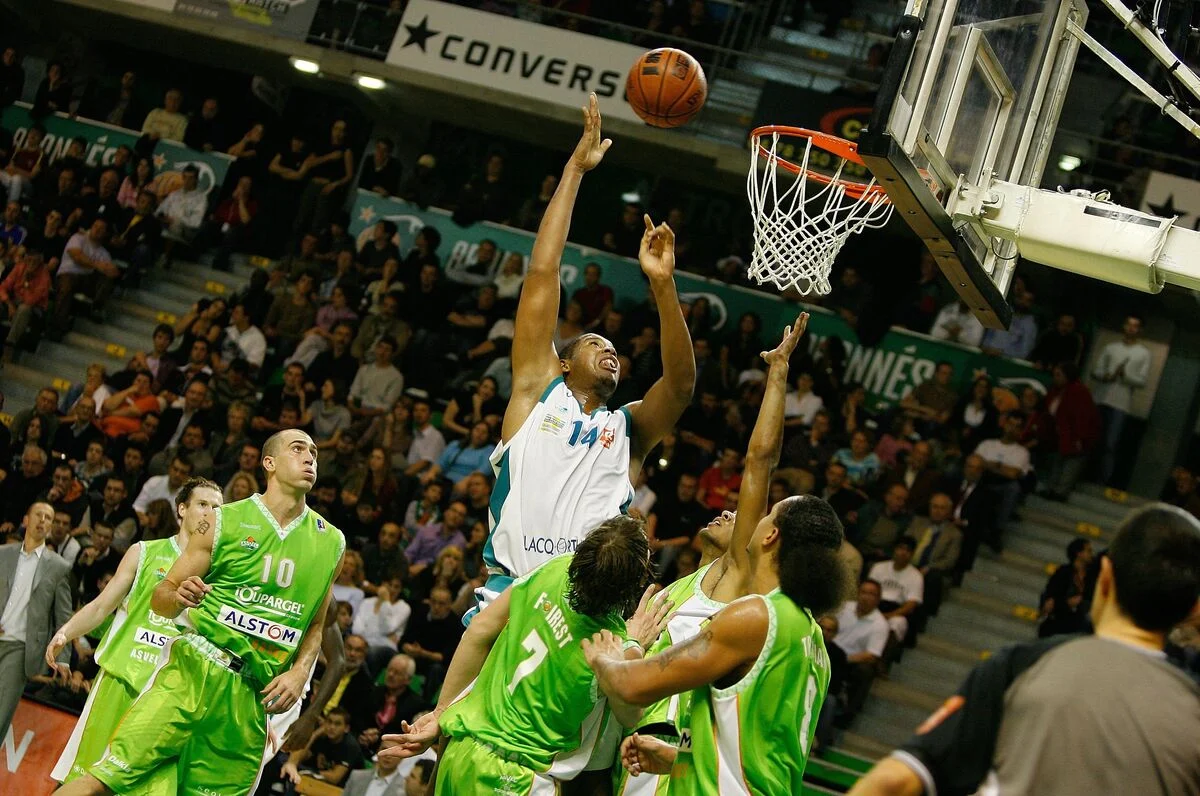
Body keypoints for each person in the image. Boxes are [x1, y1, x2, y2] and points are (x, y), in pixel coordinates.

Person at [475, 95, 694, 619]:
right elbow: (542, 274)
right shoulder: (537, 392)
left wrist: (663, 286)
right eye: (596, 343)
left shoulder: (629, 429)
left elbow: (681, 386)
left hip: (587, 612)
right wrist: (574, 170)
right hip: (510, 597)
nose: (610, 350)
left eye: (614, 348)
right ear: (565, 363)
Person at [58, 429, 346, 796]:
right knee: (102, 781)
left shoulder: (331, 542)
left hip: (250, 697)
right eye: (298, 449)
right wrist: (178, 596)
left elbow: (318, 624)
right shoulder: (224, 521)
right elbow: (161, 597)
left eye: (314, 452)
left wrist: (301, 671)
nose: (310, 458)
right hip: (193, 672)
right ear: (269, 463)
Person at [848, 503, 1200, 796]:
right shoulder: (1191, 704)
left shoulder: (1026, 664)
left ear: (1104, 576)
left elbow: (896, 780)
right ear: (1194, 607)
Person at [614, 313, 812, 796]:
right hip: (640, 754)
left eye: (740, 516)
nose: (729, 512)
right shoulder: (675, 589)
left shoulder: (738, 576)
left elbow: (759, 462)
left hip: (675, 757)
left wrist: (778, 373)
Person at [377, 514, 671, 793]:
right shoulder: (610, 644)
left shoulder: (555, 568)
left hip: (461, 751)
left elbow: (479, 630)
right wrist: (635, 644)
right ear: (633, 584)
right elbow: (631, 715)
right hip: (514, 778)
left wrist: (440, 711)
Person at [583, 491, 846, 795]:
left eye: (768, 514)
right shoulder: (815, 642)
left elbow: (632, 686)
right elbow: (751, 744)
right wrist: (677, 759)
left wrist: (605, 656)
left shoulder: (755, 617)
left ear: (771, 535)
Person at [46, 477, 222, 788]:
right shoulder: (144, 552)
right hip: (122, 679)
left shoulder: (220, 572)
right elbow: (102, 606)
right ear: (182, 509)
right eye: (203, 504)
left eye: (217, 508)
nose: (210, 513)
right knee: (85, 777)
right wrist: (66, 632)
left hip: (169, 695)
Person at [0, 502, 74, 739]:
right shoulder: (3, 554)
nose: (43, 520)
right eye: (38, 515)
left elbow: (64, 616)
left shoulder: (59, 567)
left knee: (1, 712)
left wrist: (63, 658)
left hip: (20, 647)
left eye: (48, 517)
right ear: (26, 520)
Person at [1092, 315, 1151, 485]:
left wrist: (1125, 376)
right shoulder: (1111, 348)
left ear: (1140, 330)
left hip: (1121, 404)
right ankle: (1081, 476)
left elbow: (1142, 381)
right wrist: (1107, 376)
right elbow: (1096, 371)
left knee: (1110, 444)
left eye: (1135, 326)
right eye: (1129, 324)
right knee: (1091, 439)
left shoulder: (1143, 353)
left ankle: (1102, 482)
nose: (1131, 328)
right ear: (1124, 326)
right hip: (1100, 398)